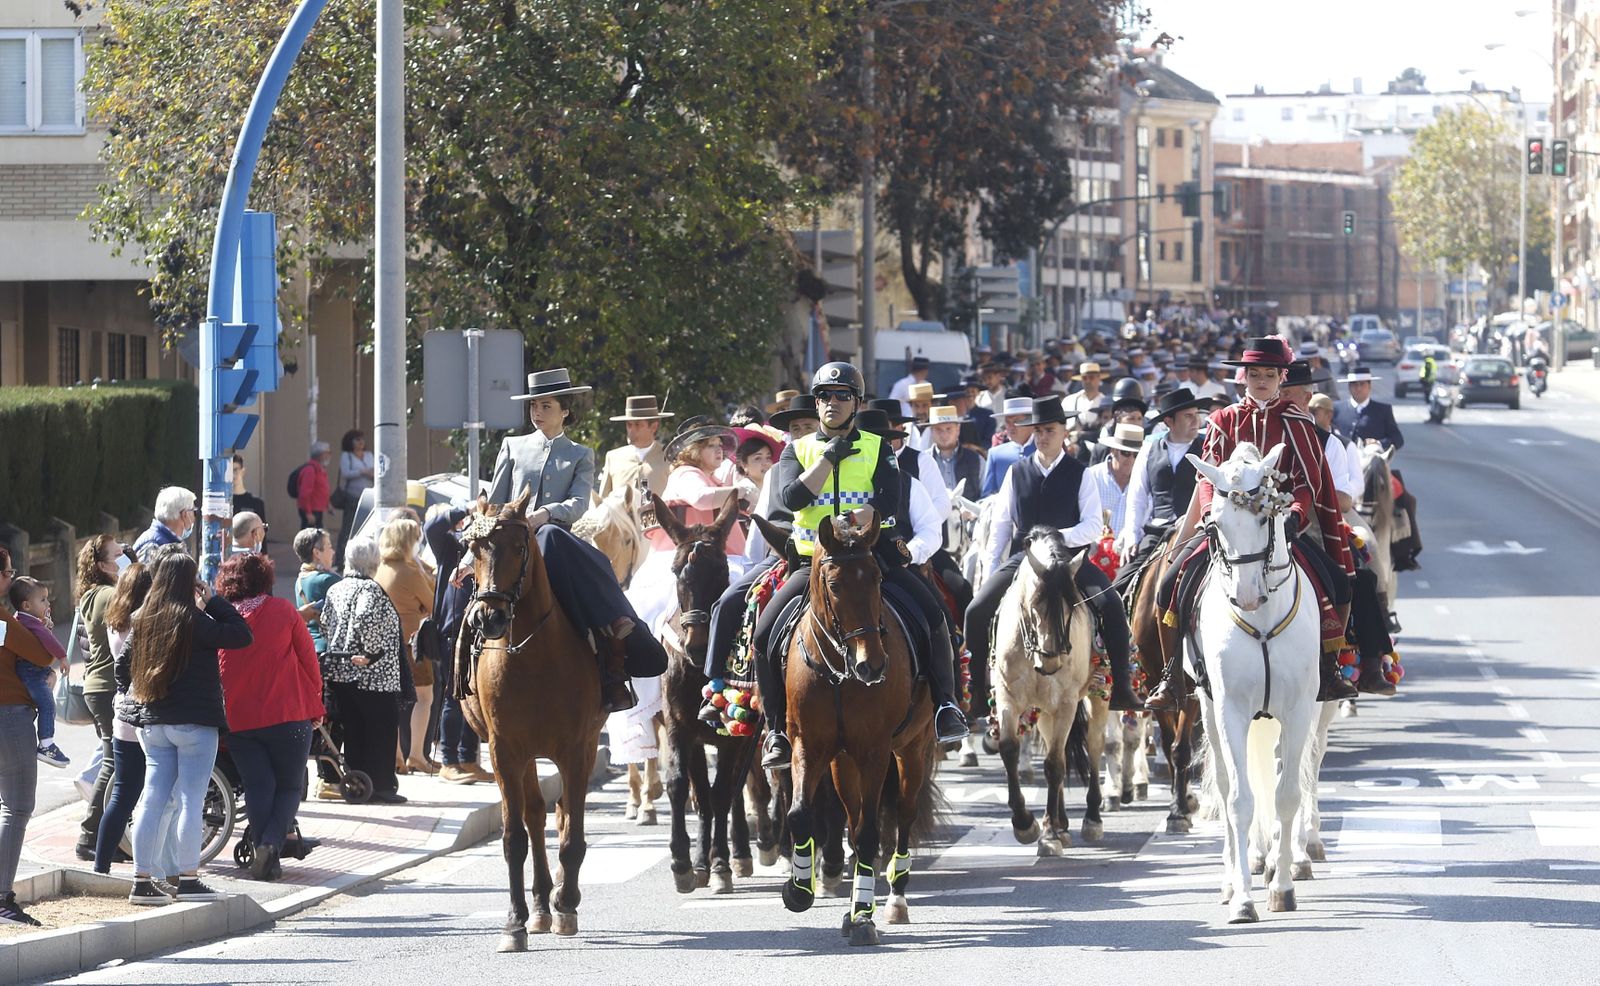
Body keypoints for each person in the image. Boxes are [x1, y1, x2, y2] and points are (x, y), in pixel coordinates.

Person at [751, 363, 967, 769]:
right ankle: (778, 731)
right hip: (813, 563)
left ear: (857, 403)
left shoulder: (876, 446)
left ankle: (945, 706)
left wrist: (858, 520)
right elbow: (793, 498)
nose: (832, 403)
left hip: (871, 559)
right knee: (764, 633)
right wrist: (828, 460)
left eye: (841, 395)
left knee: (934, 616)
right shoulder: (796, 451)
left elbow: (887, 499)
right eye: (824, 396)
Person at [1145, 338, 1359, 711]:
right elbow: (1208, 478)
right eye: (1255, 374)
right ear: (1243, 377)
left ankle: (1329, 667)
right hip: (1228, 528)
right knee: (1167, 586)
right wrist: (1211, 514)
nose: (1261, 381)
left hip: (1280, 526)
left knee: (1338, 582)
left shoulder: (1297, 421)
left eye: (1270, 375)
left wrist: (1294, 515)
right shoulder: (1224, 420)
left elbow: (1308, 480)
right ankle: (1171, 677)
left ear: (1281, 378)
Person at [486, 368, 667, 713]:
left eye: (546, 406)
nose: (537, 413)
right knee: (464, 588)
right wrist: (471, 554)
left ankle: (614, 653)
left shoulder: (580, 454)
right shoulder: (512, 446)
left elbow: (580, 503)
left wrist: (545, 514)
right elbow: (495, 503)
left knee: (577, 549)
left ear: (565, 410)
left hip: (555, 544)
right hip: (510, 545)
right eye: (534, 406)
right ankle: (459, 670)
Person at [964, 397, 1141, 715]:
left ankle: (1123, 687)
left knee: (1112, 605)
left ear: (1064, 432)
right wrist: (991, 571)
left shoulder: (1080, 473)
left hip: (1070, 562)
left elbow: (1092, 526)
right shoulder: (1016, 472)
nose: (1043, 436)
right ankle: (977, 689)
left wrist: (1058, 537)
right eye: (1038, 430)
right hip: (1026, 559)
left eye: (1050, 430)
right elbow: (1001, 528)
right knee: (975, 610)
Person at [119, 550, 251, 905]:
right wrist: (214, 600)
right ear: (189, 582)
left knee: (152, 796)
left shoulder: (141, 617)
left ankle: (142, 879)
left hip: (154, 722)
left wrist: (137, 692)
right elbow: (242, 635)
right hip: (195, 724)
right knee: (191, 800)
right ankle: (188, 878)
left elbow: (121, 666)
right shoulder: (195, 619)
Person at [215, 553, 324, 881]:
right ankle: (270, 846)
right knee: (289, 787)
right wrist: (315, 704)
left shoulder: (222, 618)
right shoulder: (283, 611)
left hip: (240, 719)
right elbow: (309, 660)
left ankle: (268, 855)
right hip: (288, 714)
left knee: (258, 786)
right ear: (265, 578)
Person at [94, 562, 179, 881]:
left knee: (122, 796)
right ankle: (155, 867)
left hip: (122, 715)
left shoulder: (115, 622)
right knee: (157, 797)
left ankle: (100, 866)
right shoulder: (145, 624)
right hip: (147, 714)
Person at [318, 538, 406, 805]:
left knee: (354, 730)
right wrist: (371, 653)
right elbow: (365, 617)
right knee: (381, 729)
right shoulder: (370, 589)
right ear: (373, 561)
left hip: (341, 674)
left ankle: (359, 782)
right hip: (372, 676)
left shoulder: (338, 588)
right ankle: (380, 785)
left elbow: (325, 623)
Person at [0, 571, 57, 927]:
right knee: (18, 806)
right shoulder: (3, 620)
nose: (9, 578)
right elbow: (42, 654)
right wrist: (41, 625)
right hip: (9, 715)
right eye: (6, 572)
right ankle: (2, 899)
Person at [423, 504, 491, 785]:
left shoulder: (484, 551)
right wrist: (465, 509)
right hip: (453, 632)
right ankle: (449, 761)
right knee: (454, 696)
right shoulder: (450, 548)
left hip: (478, 631)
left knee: (473, 695)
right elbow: (432, 527)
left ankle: (467, 758)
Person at [1117, 387, 1211, 564]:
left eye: (1196, 414)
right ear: (1169, 421)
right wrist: (1132, 536)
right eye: (1188, 416)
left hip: (1197, 531)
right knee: (1123, 581)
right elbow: (1137, 499)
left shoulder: (1208, 449)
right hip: (1157, 532)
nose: (1196, 421)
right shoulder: (1148, 450)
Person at [374, 518, 436, 775]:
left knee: (396, 700)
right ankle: (417, 755)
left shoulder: (382, 568)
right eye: (416, 537)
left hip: (388, 642)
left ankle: (397, 755)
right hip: (412, 642)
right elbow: (433, 604)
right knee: (424, 697)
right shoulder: (410, 571)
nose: (419, 542)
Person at [74, 535, 122, 860]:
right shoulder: (107, 595)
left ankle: (104, 835)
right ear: (103, 566)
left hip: (97, 685)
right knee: (114, 762)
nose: (124, 561)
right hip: (107, 687)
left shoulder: (92, 593)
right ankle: (90, 836)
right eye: (118, 556)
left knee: (117, 761)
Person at [7, 578, 69, 767]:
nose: (48, 603)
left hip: (33, 671)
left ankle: (46, 743)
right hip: (32, 672)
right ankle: (46, 744)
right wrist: (63, 656)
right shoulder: (29, 623)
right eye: (42, 600)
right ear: (27, 605)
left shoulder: (21, 619)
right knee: (47, 705)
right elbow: (47, 643)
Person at [597, 395, 673, 503]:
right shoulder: (613, 458)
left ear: (653, 427)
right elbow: (602, 503)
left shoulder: (670, 458)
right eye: (629, 424)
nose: (631, 429)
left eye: (638, 424)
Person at [1087, 423, 1144, 539]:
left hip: (1130, 552)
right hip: (1093, 549)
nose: (1131, 459)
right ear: (1113, 451)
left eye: (1136, 455)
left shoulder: (1144, 481)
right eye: (1126, 453)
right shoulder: (1092, 477)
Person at [1333, 367, 1404, 451]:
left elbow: (1397, 439)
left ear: (1369, 386)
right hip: (1343, 461)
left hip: (1371, 461)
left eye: (1362, 384)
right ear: (1349, 386)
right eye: (1354, 384)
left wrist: (1378, 443)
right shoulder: (1337, 408)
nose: (1358, 388)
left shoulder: (1383, 410)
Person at [980, 397, 1036, 497]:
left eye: (1016, 421)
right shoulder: (996, 454)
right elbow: (987, 496)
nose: (1010, 427)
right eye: (1007, 422)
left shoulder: (1044, 451)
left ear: (1032, 422)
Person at [334, 430, 376, 565]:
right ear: (350, 442)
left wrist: (372, 473)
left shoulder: (369, 455)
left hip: (369, 496)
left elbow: (376, 470)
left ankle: (365, 560)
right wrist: (363, 472)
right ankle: (340, 561)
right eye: (357, 440)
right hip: (352, 497)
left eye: (362, 439)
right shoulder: (347, 456)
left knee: (367, 528)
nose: (361, 442)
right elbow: (346, 473)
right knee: (348, 528)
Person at [926, 406, 982, 500]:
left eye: (948, 429)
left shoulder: (975, 458)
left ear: (958, 429)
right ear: (931, 431)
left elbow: (985, 493)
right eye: (938, 429)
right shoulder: (923, 460)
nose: (944, 435)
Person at [133, 487, 196, 562]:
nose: (194, 516)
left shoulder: (169, 542)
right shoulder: (152, 546)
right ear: (185, 514)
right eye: (193, 511)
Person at [296, 442, 333, 529]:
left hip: (317, 510)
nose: (329, 456)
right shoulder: (310, 470)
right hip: (311, 510)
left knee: (317, 537)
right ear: (320, 455)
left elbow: (322, 489)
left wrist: (328, 504)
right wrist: (308, 513)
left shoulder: (320, 469)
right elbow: (305, 493)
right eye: (327, 453)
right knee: (309, 538)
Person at [230, 454, 268, 522]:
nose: (232, 475)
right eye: (229, 471)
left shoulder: (256, 503)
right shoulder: (224, 503)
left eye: (235, 470)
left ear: (243, 471)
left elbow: (262, 530)